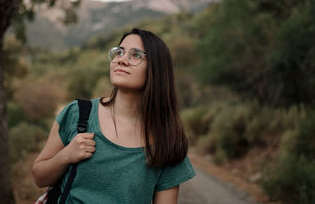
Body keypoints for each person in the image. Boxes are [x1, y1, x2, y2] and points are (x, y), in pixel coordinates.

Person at [32, 28, 196, 204]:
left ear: (156, 69)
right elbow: (39, 178)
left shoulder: (167, 140)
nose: (122, 60)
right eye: (120, 52)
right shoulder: (78, 114)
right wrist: (66, 156)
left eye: (136, 55)